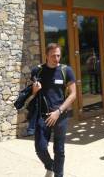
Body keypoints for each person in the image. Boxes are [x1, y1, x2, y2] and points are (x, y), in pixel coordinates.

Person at [30, 43, 76, 177]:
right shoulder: (37, 71)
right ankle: (50, 166)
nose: (56, 59)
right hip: (43, 115)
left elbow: (73, 94)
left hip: (60, 115)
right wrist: (34, 90)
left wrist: (59, 111)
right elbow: (31, 94)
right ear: (46, 56)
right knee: (40, 148)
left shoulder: (66, 70)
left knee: (59, 150)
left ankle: (58, 174)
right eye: (53, 56)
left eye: (58, 55)